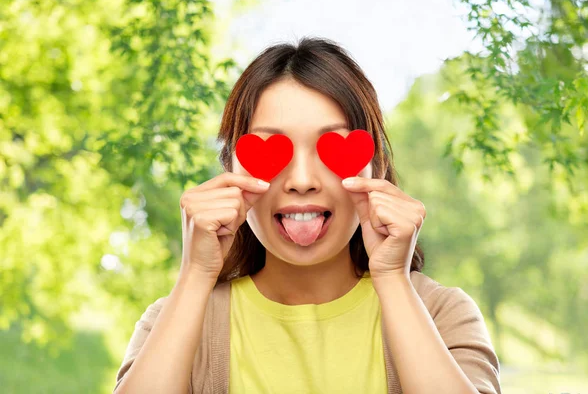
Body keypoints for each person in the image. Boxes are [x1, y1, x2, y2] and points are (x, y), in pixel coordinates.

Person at [113, 36, 502, 394]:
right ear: (231, 171)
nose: (301, 181)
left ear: (376, 169)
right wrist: (196, 275)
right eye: (270, 148)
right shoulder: (176, 319)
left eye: (330, 147)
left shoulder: (442, 313)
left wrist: (393, 280)